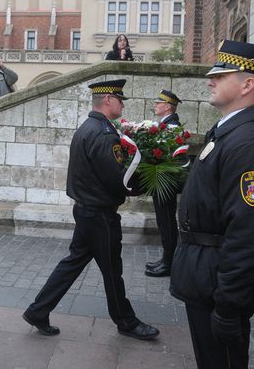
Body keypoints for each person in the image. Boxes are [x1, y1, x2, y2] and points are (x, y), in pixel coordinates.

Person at [170, 40, 254, 368]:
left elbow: (252, 232)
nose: (211, 80)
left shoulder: (250, 144)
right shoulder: (229, 133)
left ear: (248, 84)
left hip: (218, 282)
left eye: (221, 76)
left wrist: (229, 306)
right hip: (206, 273)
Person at [22, 79, 159, 341]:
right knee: (112, 271)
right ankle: (126, 321)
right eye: (120, 99)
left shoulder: (89, 127)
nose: (122, 103)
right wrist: (147, 183)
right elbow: (117, 178)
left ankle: (38, 310)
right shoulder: (103, 133)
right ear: (107, 100)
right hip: (99, 215)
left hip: (86, 210)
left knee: (73, 262)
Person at [145, 89, 182, 277]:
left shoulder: (172, 126)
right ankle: (166, 259)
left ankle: (169, 262)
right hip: (161, 181)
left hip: (166, 182)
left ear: (167, 106)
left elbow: (167, 154)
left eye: (158, 102)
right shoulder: (165, 124)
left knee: (166, 222)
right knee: (163, 221)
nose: (155, 104)